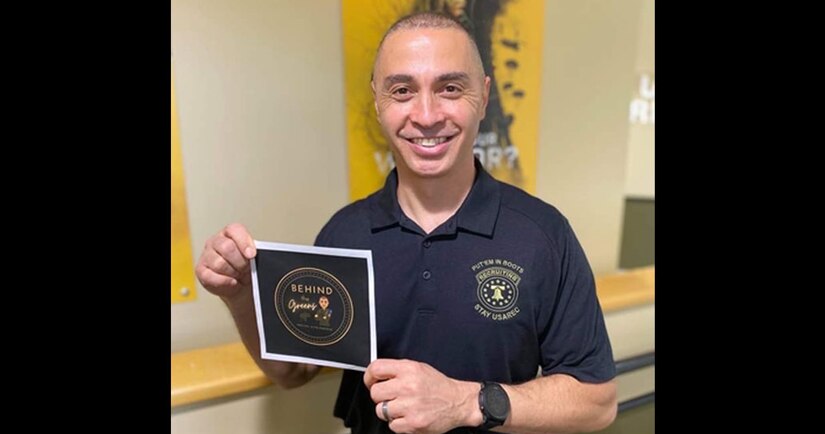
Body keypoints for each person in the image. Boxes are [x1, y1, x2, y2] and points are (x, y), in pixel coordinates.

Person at [195, 12, 616, 434]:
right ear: (378, 101)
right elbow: (293, 371)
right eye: (402, 91)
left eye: (450, 88)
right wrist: (241, 296)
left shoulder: (543, 235)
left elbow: (596, 402)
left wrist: (466, 402)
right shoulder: (345, 233)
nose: (427, 115)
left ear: (484, 97)